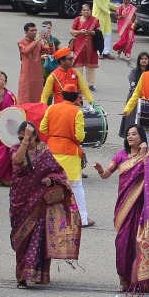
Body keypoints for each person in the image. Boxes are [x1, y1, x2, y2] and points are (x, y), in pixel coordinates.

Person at [92, 124, 149, 294]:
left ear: (141, 137)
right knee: (122, 243)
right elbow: (106, 174)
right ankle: (123, 280)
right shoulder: (121, 155)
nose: (130, 137)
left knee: (142, 241)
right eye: (128, 134)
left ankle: (145, 280)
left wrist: (144, 153)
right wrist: (100, 170)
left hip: (143, 206)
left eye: (134, 134)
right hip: (124, 207)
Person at [8, 120, 81, 288]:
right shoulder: (15, 148)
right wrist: (25, 141)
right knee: (21, 238)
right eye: (22, 138)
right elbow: (17, 161)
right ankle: (21, 275)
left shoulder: (43, 150)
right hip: (20, 199)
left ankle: (36, 274)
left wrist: (51, 180)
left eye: (29, 138)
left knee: (39, 237)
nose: (26, 141)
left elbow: (58, 171)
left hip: (40, 200)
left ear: (36, 136)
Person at [41, 83, 91, 227]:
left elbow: (43, 128)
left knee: (52, 186)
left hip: (52, 151)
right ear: (75, 97)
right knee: (76, 186)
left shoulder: (51, 108)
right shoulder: (77, 112)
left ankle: (50, 218)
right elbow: (80, 136)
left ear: (62, 95)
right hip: (70, 153)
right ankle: (83, 219)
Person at [69, 4, 99, 87]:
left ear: (90, 11)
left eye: (87, 10)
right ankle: (78, 84)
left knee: (90, 66)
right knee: (78, 65)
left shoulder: (95, 20)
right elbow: (71, 31)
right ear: (81, 11)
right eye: (84, 10)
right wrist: (80, 32)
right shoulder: (77, 19)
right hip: (79, 45)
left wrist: (91, 32)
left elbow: (99, 33)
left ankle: (90, 85)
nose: (86, 11)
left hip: (91, 46)